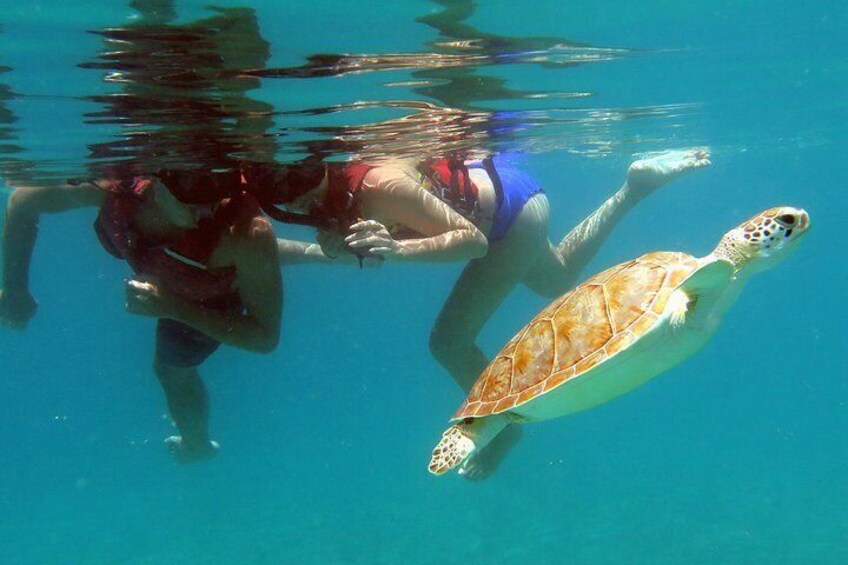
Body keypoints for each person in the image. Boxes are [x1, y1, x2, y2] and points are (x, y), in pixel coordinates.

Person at [269, 149, 711, 478]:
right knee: (552, 278)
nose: (294, 200)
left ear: (320, 166)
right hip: (506, 197)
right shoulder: (330, 194)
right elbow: (358, 246)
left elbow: (472, 243)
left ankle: (500, 426)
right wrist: (315, 248)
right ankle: (635, 186)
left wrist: (396, 249)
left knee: (448, 340)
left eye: (299, 181)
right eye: (277, 185)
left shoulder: (378, 187)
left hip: (507, 217)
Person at [0, 170, 282, 463]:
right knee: (250, 259)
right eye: (188, 184)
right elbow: (22, 202)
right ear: (156, 183)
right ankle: (311, 254)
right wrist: (14, 286)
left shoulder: (247, 233)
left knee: (171, 369)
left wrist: (173, 307)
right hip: (177, 265)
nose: (203, 208)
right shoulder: (113, 189)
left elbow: (264, 338)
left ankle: (196, 445)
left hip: (208, 291)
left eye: (218, 186)